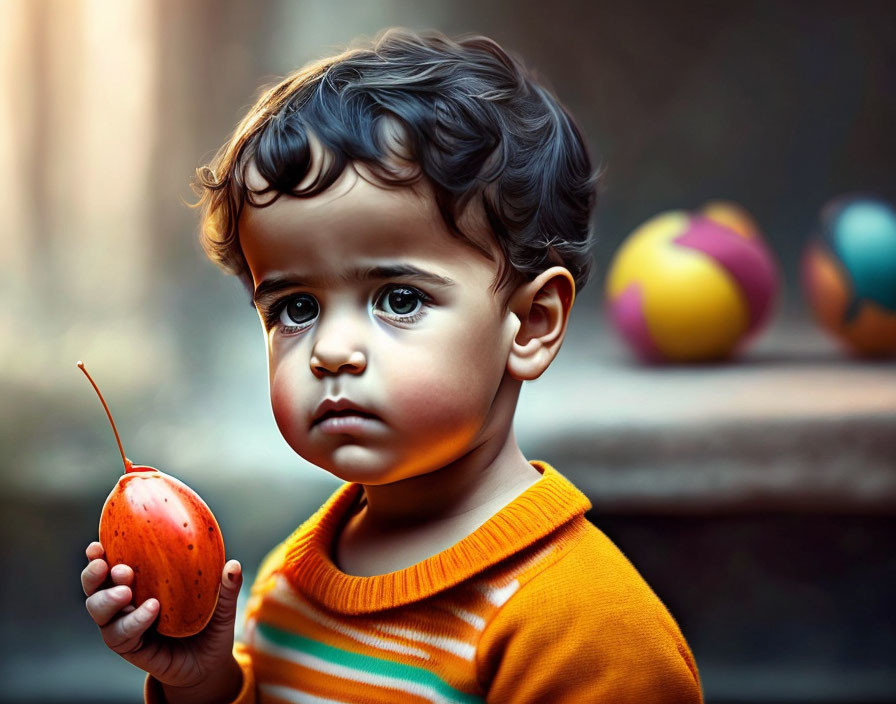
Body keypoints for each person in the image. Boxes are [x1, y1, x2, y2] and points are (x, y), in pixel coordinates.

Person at [81, 27, 703, 703]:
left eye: (398, 298)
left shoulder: (585, 631)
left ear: (531, 323)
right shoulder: (289, 584)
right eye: (294, 308)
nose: (330, 350)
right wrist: (204, 681)